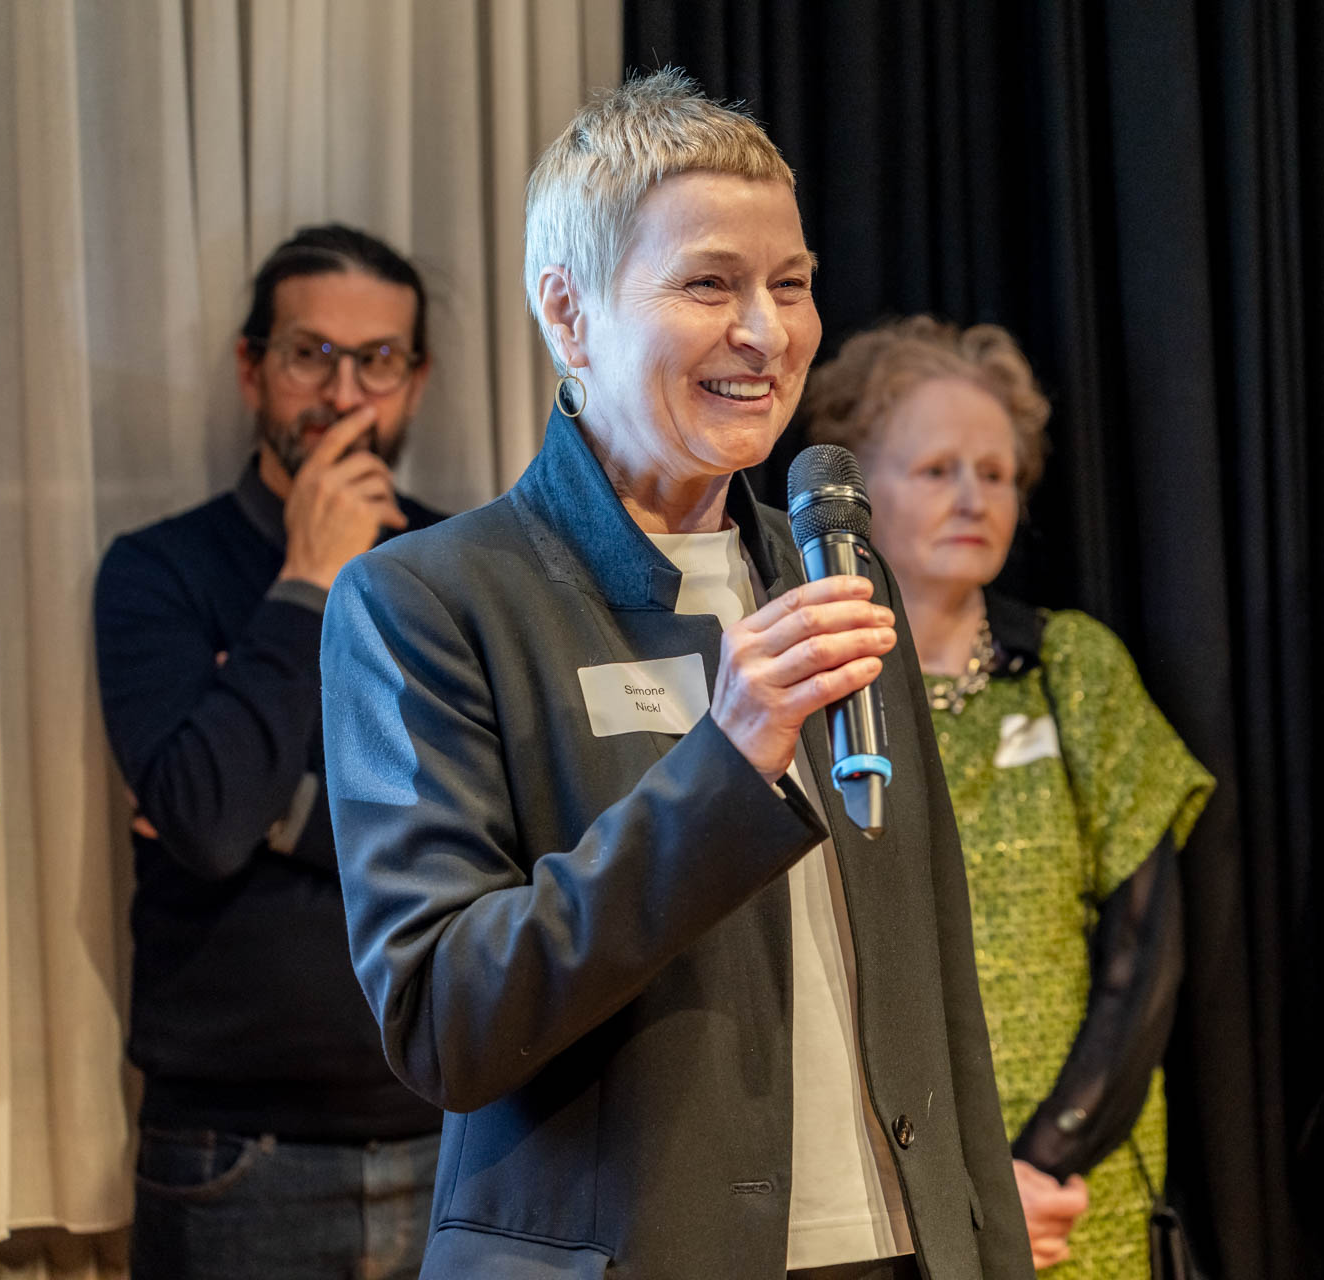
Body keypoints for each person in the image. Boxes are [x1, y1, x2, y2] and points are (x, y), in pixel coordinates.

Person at [318, 71, 1033, 1280]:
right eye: (709, 284)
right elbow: (445, 1019)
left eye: (790, 283)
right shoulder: (427, 599)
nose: (768, 331)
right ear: (571, 312)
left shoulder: (840, 572)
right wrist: (722, 767)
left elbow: (942, 991)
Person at [803, 316, 1215, 1275]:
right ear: (860, 495)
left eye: (995, 474)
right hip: (888, 1184)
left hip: (1072, 1191)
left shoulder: (1075, 667)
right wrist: (962, 1184)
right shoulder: (813, 683)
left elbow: (1145, 953)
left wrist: (1040, 1164)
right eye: (936, 469)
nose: (972, 497)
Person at [93, 224, 448, 1277]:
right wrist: (309, 581)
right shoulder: (159, 571)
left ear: (416, 381)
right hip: (235, 1155)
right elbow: (208, 820)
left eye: (377, 359)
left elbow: (498, 828)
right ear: (252, 369)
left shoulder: (461, 566)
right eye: (310, 354)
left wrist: (280, 810)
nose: (343, 393)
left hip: (457, 1135)